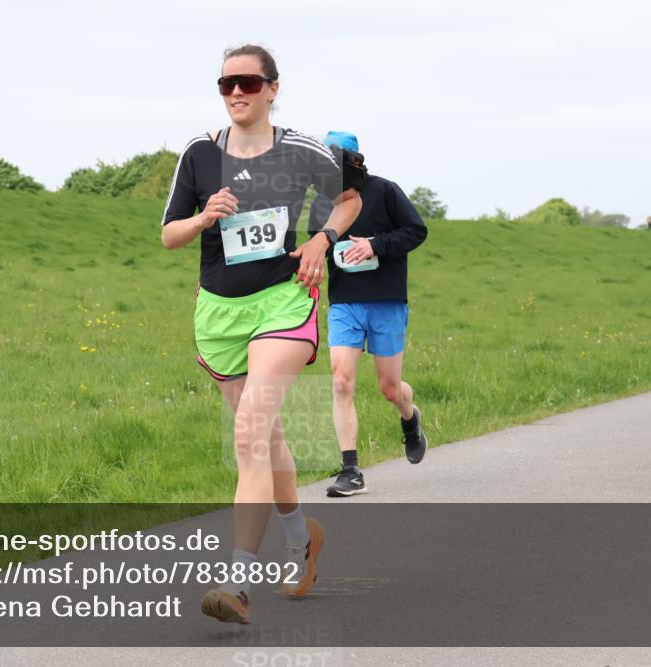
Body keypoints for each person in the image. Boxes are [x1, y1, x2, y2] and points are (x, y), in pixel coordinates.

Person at [160, 45, 362, 623]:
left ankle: (237, 585)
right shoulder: (200, 153)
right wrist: (203, 218)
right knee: (265, 436)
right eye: (225, 84)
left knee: (249, 432)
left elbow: (350, 199)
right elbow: (169, 236)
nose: (235, 93)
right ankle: (301, 538)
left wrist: (322, 240)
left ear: (273, 87)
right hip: (220, 310)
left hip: (282, 300)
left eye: (247, 82)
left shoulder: (301, 150)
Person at [307, 131, 428, 497]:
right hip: (345, 302)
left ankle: (410, 419)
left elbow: (416, 231)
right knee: (341, 381)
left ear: (356, 162)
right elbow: (318, 247)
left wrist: (375, 245)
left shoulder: (385, 190)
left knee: (390, 389)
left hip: (386, 300)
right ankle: (351, 470)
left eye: (338, 161)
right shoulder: (320, 203)